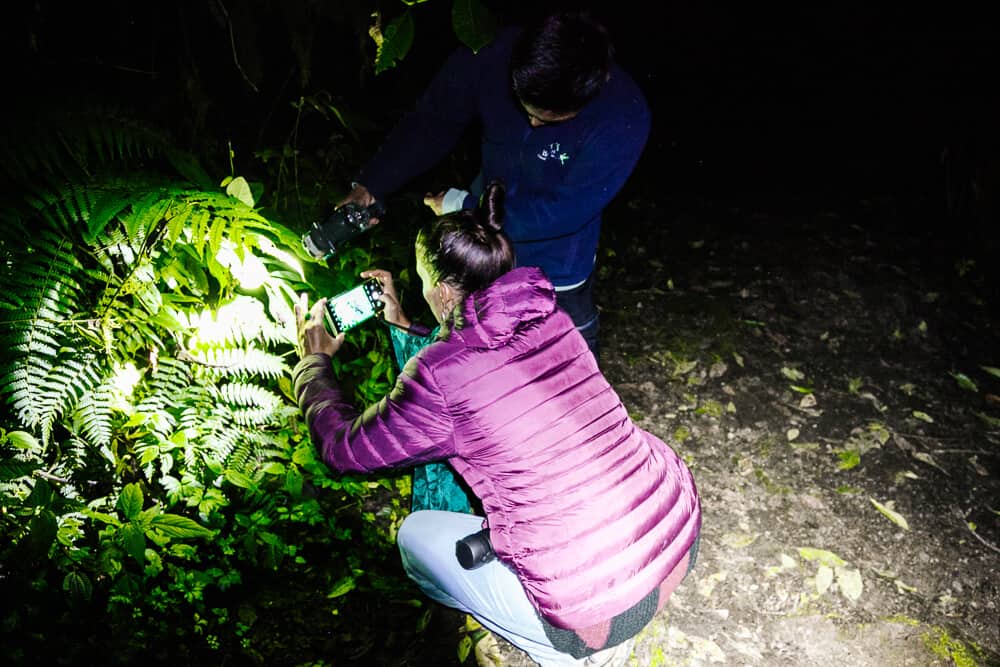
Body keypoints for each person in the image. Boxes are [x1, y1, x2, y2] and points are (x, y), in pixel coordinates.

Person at [293, 181, 700, 666]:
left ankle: (564, 651)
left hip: (593, 611)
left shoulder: (439, 376)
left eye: (423, 282)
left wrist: (313, 363)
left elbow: (343, 448)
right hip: (675, 539)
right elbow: (479, 358)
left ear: (442, 290)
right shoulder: (555, 322)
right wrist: (401, 321)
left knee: (415, 535)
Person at [337, 10, 651, 361]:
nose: (529, 122)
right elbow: (431, 122)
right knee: (467, 358)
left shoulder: (623, 115)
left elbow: (560, 212)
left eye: (545, 119)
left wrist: (463, 205)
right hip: (482, 254)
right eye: (523, 106)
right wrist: (372, 183)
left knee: (562, 368)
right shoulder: (489, 54)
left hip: (557, 268)